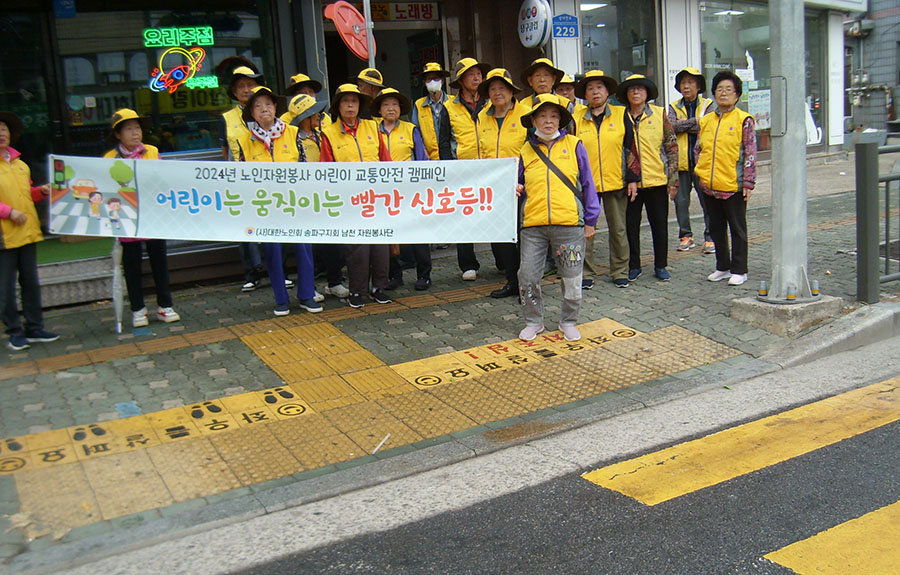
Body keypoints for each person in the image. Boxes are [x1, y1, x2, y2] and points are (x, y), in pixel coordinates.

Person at [515, 95, 600, 342]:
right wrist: (516, 188)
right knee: (527, 276)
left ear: (561, 120)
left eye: (553, 116)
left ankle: (569, 320)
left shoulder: (575, 145)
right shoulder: (525, 150)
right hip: (533, 226)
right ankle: (533, 321)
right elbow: (517, 183)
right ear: (533, 120)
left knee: (572, 277)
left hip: (570, 224)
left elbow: (588, 183)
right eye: (542, 116)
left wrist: (591, 220)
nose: (548, 121)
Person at [236, 86, 322, 316]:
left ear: (275, 107)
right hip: (266, 205)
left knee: (303, 248)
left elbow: (303, 167)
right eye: (258, 106)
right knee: (272, 251)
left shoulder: (292, 133)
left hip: (295, 202)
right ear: (251, 113)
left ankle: (307, 295)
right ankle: (281, 299)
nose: (264, 109)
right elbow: (242, 176)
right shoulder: (245, 140)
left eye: (268, 104)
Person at [103, 108, 181, 328]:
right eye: (129, 129)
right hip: (126, 220)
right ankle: (138, 309)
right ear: (117, 134)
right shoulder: (110, 159)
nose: (135, 133)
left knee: (159, 263)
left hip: (153, 217)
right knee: (132, 266)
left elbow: (163, 179)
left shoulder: (152, 151)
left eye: (137, 128)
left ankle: (165, 306)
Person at [320, 84, 392, 308]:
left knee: (380, 244)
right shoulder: (329, 133)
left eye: (354, 101)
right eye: (345, 101)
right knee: (356, 247)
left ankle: (379, 287)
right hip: (350, 199)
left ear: (360, 105)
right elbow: (326, 168)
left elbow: (386, 160)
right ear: (338, 106)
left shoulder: (372, 127)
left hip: (377, 197)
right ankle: (357, 291)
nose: (350, 105)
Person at [574, 70, 641, 289]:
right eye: (590, 88)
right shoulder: (576, 118)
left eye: (599, 87)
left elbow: (630, 148)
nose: (595, 92)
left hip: (615, 181)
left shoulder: (621, 114)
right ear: (585, 94)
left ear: (607, 91)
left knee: (619, 229)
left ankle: (620, 271)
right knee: (585, 230)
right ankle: (585, 273)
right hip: (586, 185)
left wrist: (633, 179)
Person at [0, 111, 59, 351]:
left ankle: (34, 327)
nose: (1, 133)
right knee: (5, 288)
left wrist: (41, 192)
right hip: (4, 237)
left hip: (27, 231)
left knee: (31, 282)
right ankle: (14, 331)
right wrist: (9, 212)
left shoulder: (21, 165)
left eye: (4, 129)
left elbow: (27, 195)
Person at [695, 71, 757, 287]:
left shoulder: (744, 120)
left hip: (733, 185)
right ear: (714, 93)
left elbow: (750, 152)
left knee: (737, 229)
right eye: (719, 89)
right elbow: (699, 148)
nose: (723, 93)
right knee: (716, 228)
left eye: (729, 89)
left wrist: (748, 182)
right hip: (709, 185)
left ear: (737, 95)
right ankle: (722, 266)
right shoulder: (706, 121)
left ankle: (740, 270)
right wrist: (700, 173)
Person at [616, 75, 678, 282]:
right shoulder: (620, 116)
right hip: (629, 183)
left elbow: (671, 147)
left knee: (659, 226)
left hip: (657, 180)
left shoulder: (659, 114)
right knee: (630, 226)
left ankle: (661, 265)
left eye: (640, 89)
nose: (636, 92)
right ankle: (634, 265)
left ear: (647, 93)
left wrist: (673, 180)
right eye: (632, 89)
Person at [371, 88, 433, 291]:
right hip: (383, 192)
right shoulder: (371, 130)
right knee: (388, 233)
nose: (391, 108)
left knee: (417, 232)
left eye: (395, 104)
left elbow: (421, 159)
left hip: (409, 191)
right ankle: (394, 275)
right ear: (379, 110)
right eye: (386, 105)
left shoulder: (411, 129)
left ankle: (424, 275)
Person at [477, 68, 529, 299]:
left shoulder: (526, 114)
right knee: (501, 236)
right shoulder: (482, 116)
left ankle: (528, 283)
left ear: (511, 91)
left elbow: (533, 150)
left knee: (525, 237)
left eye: (502, 88)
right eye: (492, 89)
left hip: (522, 186)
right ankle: (512, 281)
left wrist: (522, 181)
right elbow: (481, 151)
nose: (497, 93)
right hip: (494, 187)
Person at [439, 57, 491, 281]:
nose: (476, 78)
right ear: (461, 80)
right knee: (464, 215)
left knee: (493, 213)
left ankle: (502, 260)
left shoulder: (490, 102)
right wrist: (450, 169)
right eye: (471, 74)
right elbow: (444, 141)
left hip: (489, 167)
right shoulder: (449, 107)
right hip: (462, 169)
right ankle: (468, 264)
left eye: (479, 73)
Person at [285, 94, 338, 302]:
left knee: (331, 241)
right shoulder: (293, 138)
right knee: (310, 247)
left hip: (326, 195)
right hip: (305, 198)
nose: (320, 116)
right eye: (315, 113)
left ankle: (335, 282)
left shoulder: (321, 135)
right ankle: (310, 287)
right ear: (305, 117)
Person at [219, 62, 267, 292]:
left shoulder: (267, 111)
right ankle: (251, 274)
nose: (246, 89)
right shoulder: (227, 118)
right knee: (245, 226)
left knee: (272, 223)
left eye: (250, 84)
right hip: (241, 179)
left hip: (267, 176)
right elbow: (225, 151)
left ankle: (277, 271)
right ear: (234, 92)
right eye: (241, 86)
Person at [669, 68, 715, 254]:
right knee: (680, 202)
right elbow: (671, 127)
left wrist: (686, 125)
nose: (686, 86)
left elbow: (708, 126)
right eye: (683, 83)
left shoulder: (708, 104)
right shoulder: (673, 106)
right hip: (681, 163)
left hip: (702, 163)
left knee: (708, 202)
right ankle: (686, 236)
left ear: (698, 85)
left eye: (690, 82)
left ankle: (710, 237)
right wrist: (695, 121)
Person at [411, 62, 450, 161]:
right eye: (429, 79)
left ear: (442, 81)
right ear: (424, 82)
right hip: (429, 159)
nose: (432, 82)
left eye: (436, 78)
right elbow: (416, 132)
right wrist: (422, 150)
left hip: (451, 157)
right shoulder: (419, 105)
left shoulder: (452, 102)